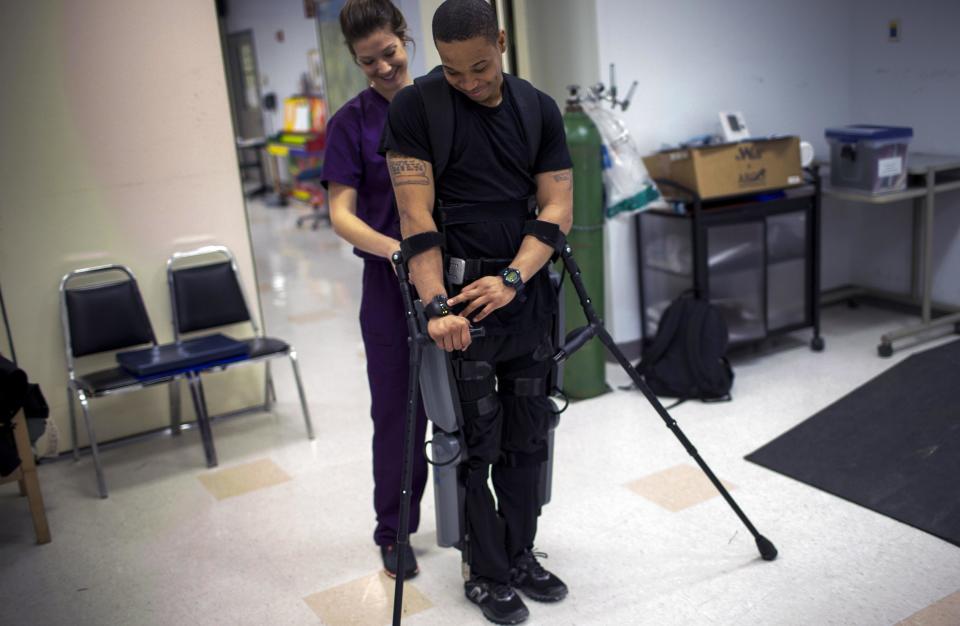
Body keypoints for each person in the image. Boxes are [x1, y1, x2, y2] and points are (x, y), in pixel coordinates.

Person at [381, 0, 574, 622]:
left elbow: (556, 206)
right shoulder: (417, 108)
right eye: (454, 70)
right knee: (475, 442)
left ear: (501, 40)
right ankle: (484, 570)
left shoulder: (537, 108)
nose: (468, 82)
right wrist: (436, 305)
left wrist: (515, 278)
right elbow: (415, 217)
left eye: (480, 67)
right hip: (461, 303)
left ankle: (520, 553)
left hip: (526, 296)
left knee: (529, 433)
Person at [320, 0, 427, 580]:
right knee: (398, 412)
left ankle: (478, 525)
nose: (384, 68)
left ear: (404, 39)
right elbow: (342, 214)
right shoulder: (350, 123)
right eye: (369, 62)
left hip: (457, 275)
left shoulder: (441, 102)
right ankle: (395, 530)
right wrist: (395, 251)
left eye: (389, 53)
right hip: (388, 286)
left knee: (472, 407)